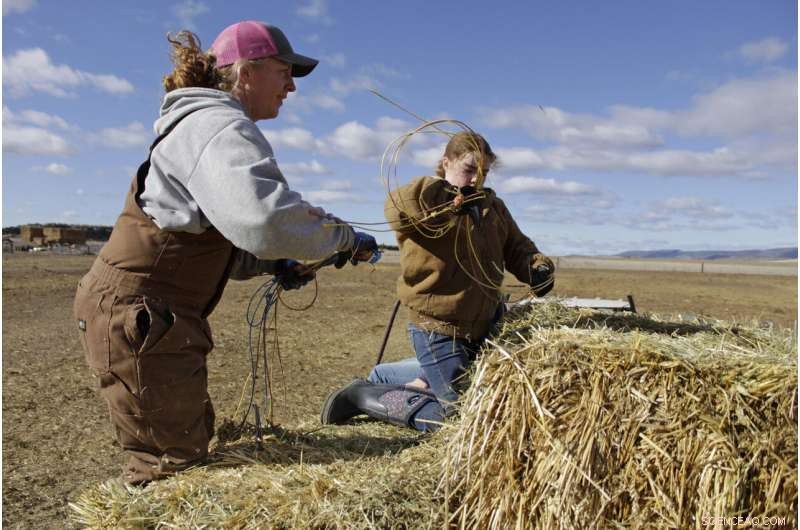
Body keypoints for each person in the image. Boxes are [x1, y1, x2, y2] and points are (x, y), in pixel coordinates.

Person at [73, 20, 377, 484]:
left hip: (148, 311)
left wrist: (276, 262)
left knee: (183, 446)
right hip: (140, 313)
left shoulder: (204, 124)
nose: (292, 86)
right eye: (284, 72)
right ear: (246, 71)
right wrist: (343, 237)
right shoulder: (218, 124)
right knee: (168, 463)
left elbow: (210, 240)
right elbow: (266, 219)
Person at [320, 131, 554, 432]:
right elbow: (398, 208)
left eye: (483, 173)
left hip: (486, 324)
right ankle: (362, 395)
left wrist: (537, 268)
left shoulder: (492, 207)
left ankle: (390, 377)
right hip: (439, 329)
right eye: (469, 169)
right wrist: (445, 198)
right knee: (459, 422)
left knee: (495, 398)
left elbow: (518, 247)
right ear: (446, 162)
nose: (476, 180)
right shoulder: (428, 199)